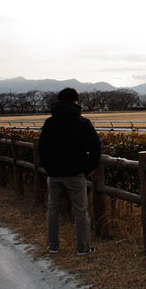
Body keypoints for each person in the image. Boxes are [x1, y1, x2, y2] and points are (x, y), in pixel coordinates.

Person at [38, 87, 101, 255]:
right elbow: (95, 145)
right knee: (80, 211)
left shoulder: (49, 122)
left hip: (54, 174)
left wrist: (48, 167)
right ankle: (83, 248)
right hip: (76, 173)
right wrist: (90, 167)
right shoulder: (82, 122)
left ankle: (53, 246)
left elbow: (42, 147)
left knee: (53, 210)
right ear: (75, 101)